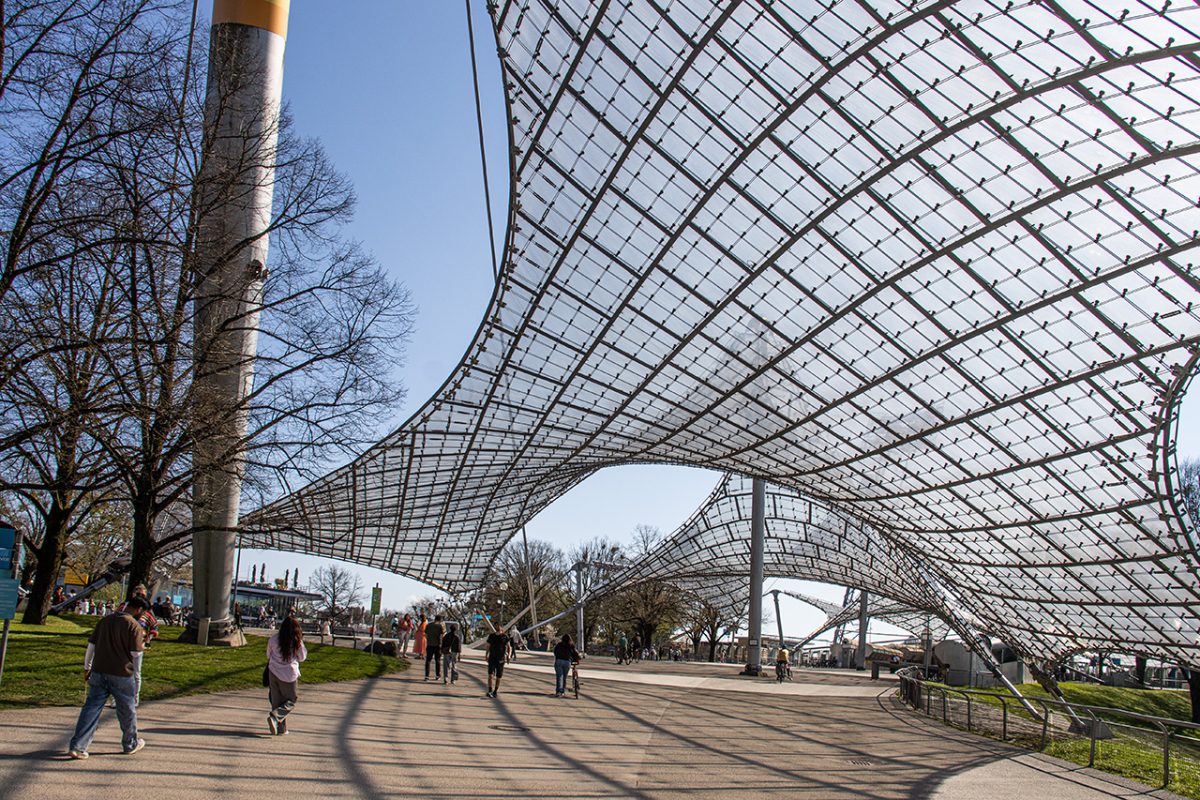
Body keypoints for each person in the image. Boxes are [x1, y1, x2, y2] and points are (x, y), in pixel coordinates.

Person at [67, 596, 150, 758]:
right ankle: (130, 743)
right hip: (122, 673)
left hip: (99, 670)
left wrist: (87, 667)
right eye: (144, 613)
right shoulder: (134, 626)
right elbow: (135, 653)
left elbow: (91, 645)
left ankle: (78, 745)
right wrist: (141, 655)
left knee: (91, 708)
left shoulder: (105, 620)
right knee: (127, 710)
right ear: (139, 609)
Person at [266, 614, 307, 735]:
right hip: (289, 674)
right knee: (291, 700)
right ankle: (275, 717)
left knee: (277, 701)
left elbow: (268, 655)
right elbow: (302, 657)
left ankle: (281, 728)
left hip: (273, 671)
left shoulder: (273, 639)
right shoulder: (296, 641)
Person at [552, 633, 583, 697]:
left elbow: (555, 651)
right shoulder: (571, 645)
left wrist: (557, 656)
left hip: (559, 661)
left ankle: (559, 691)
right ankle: (562, 691)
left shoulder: (559, 645)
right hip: (567, 662)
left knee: (559, 676)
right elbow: (576, 653)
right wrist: (579, 657)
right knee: (564, 677)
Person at [485, 624, 512, 698]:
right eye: (496, 626)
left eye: (499, 626)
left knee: (498, 676)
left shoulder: (505, 637)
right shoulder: (491, 636)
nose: (497, 627)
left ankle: (495, 691)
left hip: (501, 659)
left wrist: (509, 655)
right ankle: (490, 690)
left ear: (501, 627)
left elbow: (509, 647)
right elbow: (488, 646)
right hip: (492, 657)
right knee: (490, 674)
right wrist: (486, 655)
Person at [424, 614, 445, 681]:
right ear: (440, 619)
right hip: (437, 645)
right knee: (437, 660)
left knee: (428, 660)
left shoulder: (429, 625)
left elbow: (426, 634)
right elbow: (442, 636)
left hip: (429, 644)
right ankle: (437, 675)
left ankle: (427, 676)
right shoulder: (440, 626)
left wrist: (429, 640)